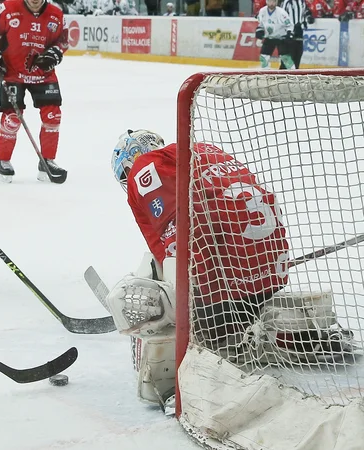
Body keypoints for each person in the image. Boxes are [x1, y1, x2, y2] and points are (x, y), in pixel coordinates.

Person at [102, 130, 355, 408]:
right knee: (238, 323)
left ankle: (181, 382)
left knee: (151, 285)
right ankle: (295, 336)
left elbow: (179, 234)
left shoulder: (144, 167)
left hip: (222, 290)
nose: (130, 182)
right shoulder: (205, 150)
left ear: (131, 161)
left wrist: (182, 291)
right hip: (269, 270)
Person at [0, 0, 68, 184]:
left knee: (53, 116)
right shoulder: (8, 8)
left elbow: (63, 39)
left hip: (43, 73)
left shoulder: (56, 13)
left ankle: (47, 161)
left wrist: (55, 53)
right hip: (12, 73)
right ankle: (4, 161)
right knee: (12, 119)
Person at [256, 0, 295, 70]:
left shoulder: (281, 13)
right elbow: (261, 24)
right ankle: (266, 73)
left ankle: (293, 72)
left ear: (276, 2)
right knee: (263, 56)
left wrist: (289, 35)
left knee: (285, 57)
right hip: (269, 37)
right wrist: (259, 34)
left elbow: (290, 25)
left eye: (274, 1)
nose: (272, 3)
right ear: (266, 1)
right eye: (270, 1)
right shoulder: (262, 11)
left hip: (281, 38)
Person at [281, 0, 311, 69]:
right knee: (288, 60)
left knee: (298, 56)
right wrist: (289, 30)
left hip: (299, 32)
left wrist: (308, 19)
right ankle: (280, 76)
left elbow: (305, 13)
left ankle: (294, 76)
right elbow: (281, 17)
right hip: (288, 33)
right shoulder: (287, 2)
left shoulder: (302, 2)